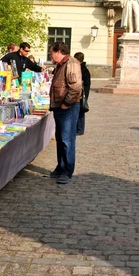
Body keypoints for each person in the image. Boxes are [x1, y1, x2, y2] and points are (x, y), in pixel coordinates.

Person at [49, 42, 82, 184]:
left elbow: (75, 87)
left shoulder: (71, 63)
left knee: (67, 139)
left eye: (51, 52)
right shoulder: (61, 64)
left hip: (68, 107)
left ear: (58, 52)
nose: (50, 55)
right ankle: (61, 166)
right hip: (59, 106)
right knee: (60, 138)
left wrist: (66, 103)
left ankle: (68, 171)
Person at [74, 52, 91, 135]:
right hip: (81, 93)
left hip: (81, 94)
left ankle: (80, 129)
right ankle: (78, 128)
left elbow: (86, 83)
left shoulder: (83, 69)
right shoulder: (80, 68)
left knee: (81, 111)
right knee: (78, 111)